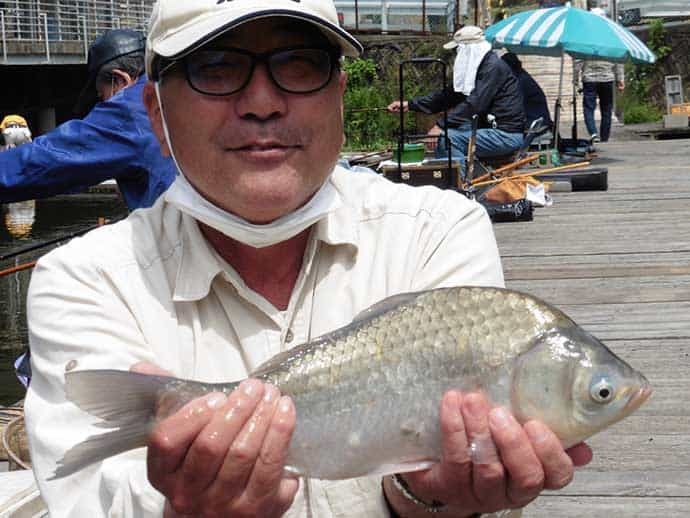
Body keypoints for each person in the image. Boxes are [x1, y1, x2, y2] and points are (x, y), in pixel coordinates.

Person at [24, 1, 590, 517]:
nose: (264, 104)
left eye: (298, 65)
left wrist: (425, 494)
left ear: (339, 94)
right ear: (155, 114)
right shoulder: (82, 280)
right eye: (216, 68)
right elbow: (87, 496)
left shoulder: (440, 231)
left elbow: (451, 462)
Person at [0, 29, 176, 210]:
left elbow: (50, 159)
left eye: (102, 96)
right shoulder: (172, 90)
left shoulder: (130, 110)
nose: (103, 104)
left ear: (121, 80)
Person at [387, 26, 525, 168]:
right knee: (450, 134)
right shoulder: (479, 67)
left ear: (467, 50)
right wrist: (411, 104)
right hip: (489, 128)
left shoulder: (492, 67)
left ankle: (458, 185)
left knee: (447, 139)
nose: (455, 55)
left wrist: (441, 126)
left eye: (457, 50)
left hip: (505, 134)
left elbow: (475, 103)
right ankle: (459, 175)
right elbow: (449, 96)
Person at [574, 8, 625, 143]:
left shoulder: (584, 37)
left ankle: (593, 133)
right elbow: (619, 58)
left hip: (589, 79)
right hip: (607, 78)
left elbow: (578, 60)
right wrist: (620, 79)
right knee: (606, 109)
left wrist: (575, 80)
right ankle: (604, 137)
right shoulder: (611, 36)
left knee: (588, 107)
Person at [501, 52, 553, 134]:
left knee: (503, 128)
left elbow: (513, 105)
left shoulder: (520, 81)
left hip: (534, 122)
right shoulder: (522, 76)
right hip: (538, 119)